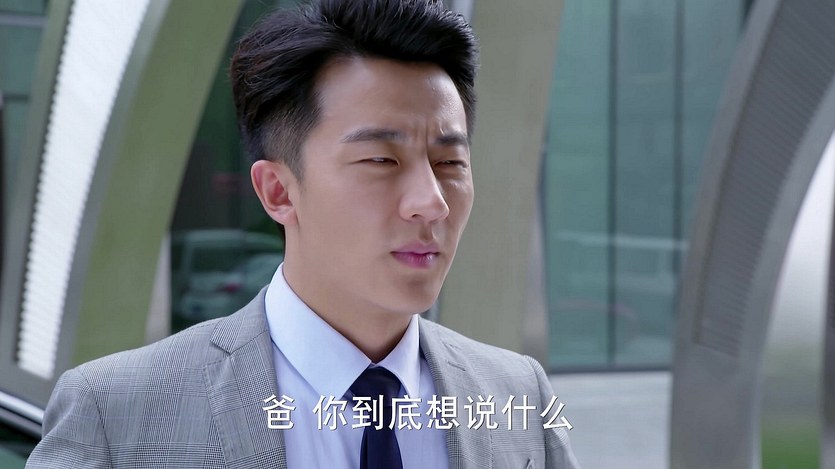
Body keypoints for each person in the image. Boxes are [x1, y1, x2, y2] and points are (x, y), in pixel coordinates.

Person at [27, 0, 579, 467]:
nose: (431, 201)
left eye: (449, 163)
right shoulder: (115, 414)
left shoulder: (518, 395)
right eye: (382, 160)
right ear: (278, 191)